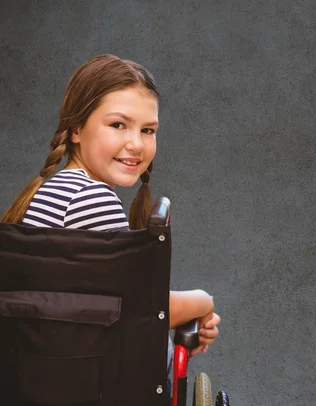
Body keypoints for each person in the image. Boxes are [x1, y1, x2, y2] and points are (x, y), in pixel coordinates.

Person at [0, 53, 220, 357]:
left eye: (148, 130)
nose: (137, 144)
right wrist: (202, 302)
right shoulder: (91, 199)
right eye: (118, 125)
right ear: (76, 129)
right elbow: (144, 309)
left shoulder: (53, 191)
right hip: (90, 387)